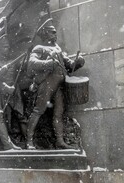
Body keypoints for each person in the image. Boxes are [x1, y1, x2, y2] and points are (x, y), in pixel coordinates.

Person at [26, 18, 85, 150]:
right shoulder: (39, 48)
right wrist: (48, 64)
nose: (55, 35)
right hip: (46, 82)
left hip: (60, 84)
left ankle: (60, 141)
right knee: (38, 111)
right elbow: (31, 64)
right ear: (45, 34)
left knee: (59, 113)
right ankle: (29, 141)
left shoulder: (57, 48)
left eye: (55, 32)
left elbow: (68, 65)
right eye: (52, 32)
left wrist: (78, 62)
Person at [0, 34, 26, 143]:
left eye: (7, 47)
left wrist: (26, 52)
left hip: (15, 92)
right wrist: (5, 88)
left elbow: (23, 65)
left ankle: (27, 141)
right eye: (4, 47)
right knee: (7, 118)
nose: (6, 49)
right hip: (3, 92)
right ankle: (10, 141)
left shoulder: (14, 61)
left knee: (21, 116)